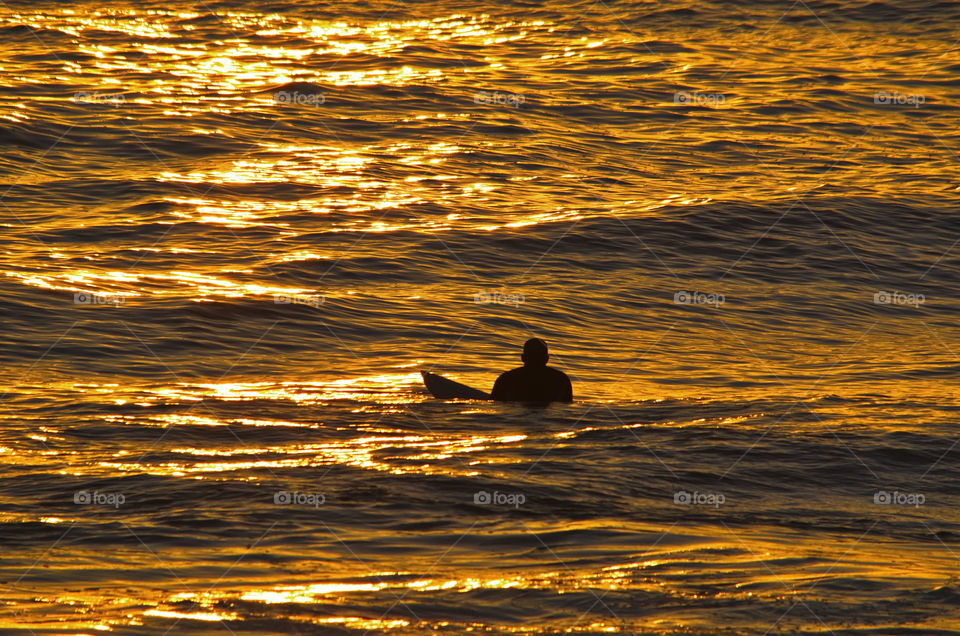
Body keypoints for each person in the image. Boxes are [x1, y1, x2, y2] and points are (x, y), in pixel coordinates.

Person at [491, 338, 573, 403]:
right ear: (547, 358)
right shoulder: (561, 379)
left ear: (522, 358)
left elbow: (495, 404)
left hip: (516, 421)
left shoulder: (506, 378)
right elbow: (567, 407)